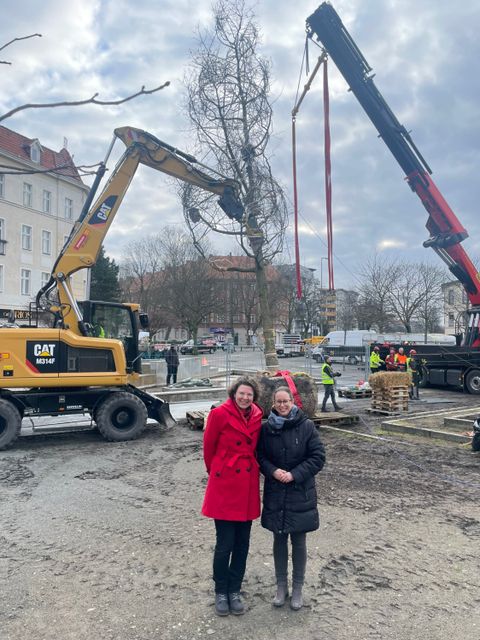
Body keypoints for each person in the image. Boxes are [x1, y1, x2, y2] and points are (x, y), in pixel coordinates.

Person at [257, 387, 326, 610]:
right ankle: (281, 586)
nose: (283, 405)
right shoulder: (267, 429)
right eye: (278, 402)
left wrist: (295, 474)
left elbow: (318, 457)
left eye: (286, 401)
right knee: (278, 539)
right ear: (273, 404)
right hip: (276, 491)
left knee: (298, 541)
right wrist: (272, 471)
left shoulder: (306, 426)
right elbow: (260, 456)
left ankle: (297, 588)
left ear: (292, 402)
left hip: (300, 492)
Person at [201, 377, 263, 616]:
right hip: (225, 483)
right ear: (234, 393)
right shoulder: (219, 414)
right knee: (224, 543)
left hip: (246, 484)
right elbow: (209, 448)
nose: (245, 398)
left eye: (249, 395)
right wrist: (218, 471)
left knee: (242, 544)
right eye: (241, 394)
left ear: (254, 397)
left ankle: (235, 590)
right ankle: (220, 591)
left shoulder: (257, 415)